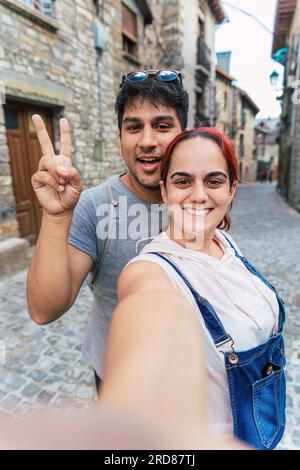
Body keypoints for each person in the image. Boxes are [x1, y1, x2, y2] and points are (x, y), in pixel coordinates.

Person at [117, 127, 286, 450]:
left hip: (267, 431)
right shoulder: (151, 270)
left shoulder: (226, 243)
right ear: (164, 190)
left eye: (213, 181)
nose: (198, 195)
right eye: (183, 181)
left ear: (231, 189)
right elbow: (145, 305)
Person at [27, 70, 189, 393]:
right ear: (120, 138)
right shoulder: (95, 205)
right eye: (133, 127)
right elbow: (44, 309)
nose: (147, 141)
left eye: (162, 125)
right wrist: (56, 216)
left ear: (183, 133)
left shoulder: (200, 200)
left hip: (188, 376)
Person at [1, 288, 248, 450]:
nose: (198, 203)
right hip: (113, 367)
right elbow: (155, 300)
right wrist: (142, 429)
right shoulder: (151, 262)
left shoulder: (226, 244)